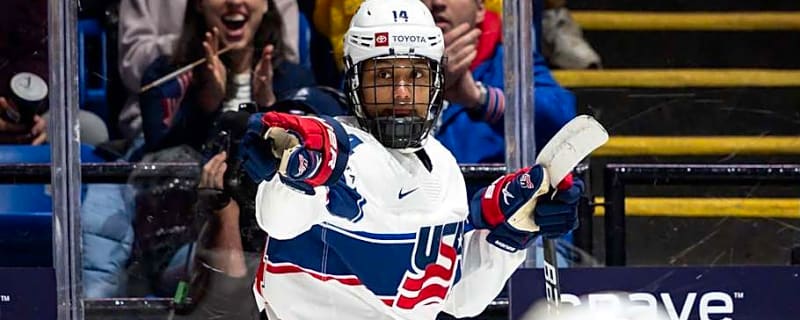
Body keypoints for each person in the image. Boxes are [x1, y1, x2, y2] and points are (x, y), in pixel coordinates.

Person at [239, 0, 582, 318]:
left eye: (415, 76)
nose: (402, 93)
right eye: (385, 76)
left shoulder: (444, 167)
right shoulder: (329, 150)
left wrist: (510, 232)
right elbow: (280, 220)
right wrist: (296, 168)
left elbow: (462, 299)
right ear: (355, 79)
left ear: (435, 80)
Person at [136, 0, 315, 157]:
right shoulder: (166, 80)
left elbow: (303, 159)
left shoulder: (296, 81)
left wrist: (269, 106)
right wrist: (206, 106)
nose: (235, 1)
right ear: (199, 3)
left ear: (266, 3)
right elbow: (160, 169)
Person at [423, 0, 576, 165]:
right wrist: (428, 84)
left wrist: (481, 99)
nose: (438, 2)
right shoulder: (393, 60)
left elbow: (563, 120)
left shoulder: (511, 60)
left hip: (484, 189)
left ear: (480, 8)